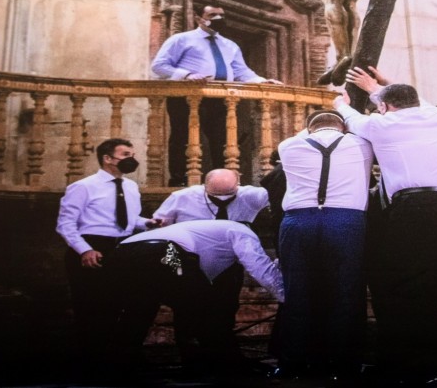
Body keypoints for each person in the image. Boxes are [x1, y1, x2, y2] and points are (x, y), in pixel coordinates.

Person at [334, 66, 437, 383]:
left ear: (384, 107)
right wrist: (380, 86)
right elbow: (414, 101)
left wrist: (341, 101)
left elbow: (349, 116)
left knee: (411, 287)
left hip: (421, 208)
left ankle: (417, 367)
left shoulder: (380, 124)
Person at [272, 109, 375, 380]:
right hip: (346, 220)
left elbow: (308, 133)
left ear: (308, 128)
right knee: (346, 292)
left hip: (299, 221)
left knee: (297, 291)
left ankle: (292, 365)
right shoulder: (362, 144)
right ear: (343, 127)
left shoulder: (288, 145)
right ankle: (344, 366)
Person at [110, 219, 284, 372]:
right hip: (167, 251)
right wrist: (286, 298)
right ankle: (217, 362)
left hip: (122, 252)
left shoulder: (208, 234)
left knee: (140, 307)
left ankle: (121, 362)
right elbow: (260, 268)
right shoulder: (242, 231)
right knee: (201, 308)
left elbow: (202, 281)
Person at [150, 3, 281, 186]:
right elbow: (159, 66)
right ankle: (179, 180)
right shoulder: (181, 39)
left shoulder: (229, 45)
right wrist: (186, 75)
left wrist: (261, 81)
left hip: (221, 99)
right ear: (198, 18)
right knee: (183, 137)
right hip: (187, 96)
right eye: (212, 15)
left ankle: (224, 181)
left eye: (221, 15)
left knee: (223, 140)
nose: (219, 19)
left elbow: (241, 71)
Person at [149, 167, 271, 359]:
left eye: (228, 195)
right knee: (187, 309)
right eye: (216, 195)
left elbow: (279, 190)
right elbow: (159, 228)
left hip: (228, 263)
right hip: (188, 263)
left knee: (226, 307)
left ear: (238, 184)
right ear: (204, 187)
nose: (222, 199)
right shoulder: (181, 197)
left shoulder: (251, 196)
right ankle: (190, 357)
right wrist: (174, 265)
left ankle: (220, 355)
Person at [55, 138, 153, 359]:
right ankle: (92, 360)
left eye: (133, 155)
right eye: (126, 155)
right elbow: (66, 224)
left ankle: (119, 357)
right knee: (93, 309)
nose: (131, 159)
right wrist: (84, 250)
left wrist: (148, 223)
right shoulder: (83, 187)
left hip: (123, 249)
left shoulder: (131, 187)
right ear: (108, 158)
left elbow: (130, 219)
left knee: (126, 303)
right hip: (92, 247)